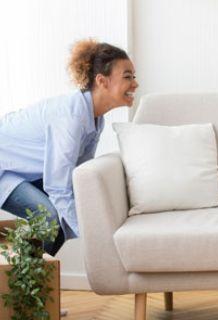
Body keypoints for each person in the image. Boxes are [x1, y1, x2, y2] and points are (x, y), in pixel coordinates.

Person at [0, 39, 138, 257]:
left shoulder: (95, 118)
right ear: (102, 81)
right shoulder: (71, 118)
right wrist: (95, 239)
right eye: (127, 77)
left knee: (62, 218)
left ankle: (28, 280)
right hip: (4, 166)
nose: (135, 84)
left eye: (134, 77)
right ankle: (25, 283)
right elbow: (58, 187)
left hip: (24, 170)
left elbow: (77, 178)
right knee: (48, 216)